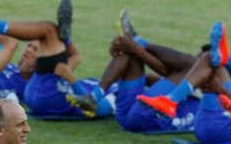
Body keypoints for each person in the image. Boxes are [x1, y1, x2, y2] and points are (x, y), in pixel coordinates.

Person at [0, 0, 115, 118]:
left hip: (50, 96)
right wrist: (65, 39)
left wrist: (72, 79)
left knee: (49, 30)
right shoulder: (106, 84)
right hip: (43, 90)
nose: (29, 50)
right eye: (29, 46)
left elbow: (95, 108)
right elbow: (76, 55)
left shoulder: (118, 94)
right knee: (50, 29)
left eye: (37, 49)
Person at [66, 12, 199, 131]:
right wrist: (127, 58)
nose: (202, 56)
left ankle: (136, 42)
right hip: (132, 114)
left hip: (151, 116)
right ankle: (94, 96)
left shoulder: (208, 78)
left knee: (193, 65)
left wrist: (139, 47)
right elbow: (165, 75)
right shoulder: (189, 82)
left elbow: (186, 68)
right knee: (129, 54)